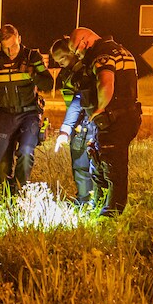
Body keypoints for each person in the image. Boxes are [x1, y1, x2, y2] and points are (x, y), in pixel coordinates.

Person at [49, 28, 141, 216]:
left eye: (76, 51)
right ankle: (97, 206)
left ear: (84, 42)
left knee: (112, 169)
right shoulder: (120, 50)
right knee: (100, 165)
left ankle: (111, 213)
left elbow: (106, 82)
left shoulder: (101, 55)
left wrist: (100, 110)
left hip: (113, 118)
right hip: (121, 115)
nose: (78, 55)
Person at [0, 24, 53, 194]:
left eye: (13, 46)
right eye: (6, 48)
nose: (10, 51)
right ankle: (6, 197)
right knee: (2, 163)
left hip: (29, 113)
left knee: (26, 152)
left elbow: (48, 83)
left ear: (19, 39)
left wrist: (31, 72)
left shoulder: (32, 56)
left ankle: (20, 191)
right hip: (5, 114)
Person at [52, 64, 97, 206]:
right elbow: (76, 101)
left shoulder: (86, 71)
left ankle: (90, 202)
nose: (62, 63)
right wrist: (66, 130)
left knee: (89, 167)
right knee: (80, 164)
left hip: (90, 124)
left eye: (64, 59)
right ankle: (85, 201)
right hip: (80, 124)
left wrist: (65, 129)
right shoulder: (69, 74)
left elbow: (78, 100)